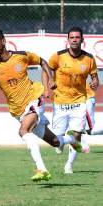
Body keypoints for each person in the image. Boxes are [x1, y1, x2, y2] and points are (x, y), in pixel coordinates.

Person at [0, 29, 64, 182]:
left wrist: (51, 79)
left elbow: (42, 61)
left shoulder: (21, 56)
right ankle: (71, 140)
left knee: (23, 131)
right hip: (18, 110)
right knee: (54, 142)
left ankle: (42, 169)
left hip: (34, 98)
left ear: (3, 41)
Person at [48, 26, 99, 173]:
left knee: (77, 135)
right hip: (60, 102)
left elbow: (95, 79)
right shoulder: (58, 56)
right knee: (56, 140)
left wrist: (95, 82)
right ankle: (61, 142)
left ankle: (69, 165)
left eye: (77, 37)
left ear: (82, 40)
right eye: (72, 37)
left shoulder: (89, 59)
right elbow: (48, 69)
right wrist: (49, 83)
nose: (75, 40)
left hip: (79, 102)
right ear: (68, 40)